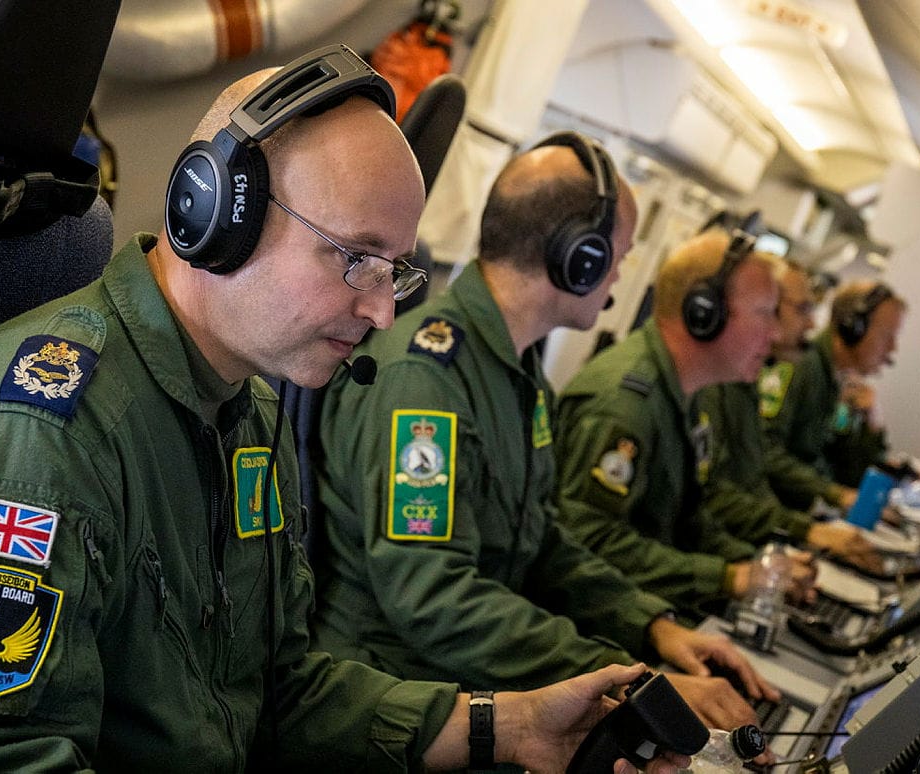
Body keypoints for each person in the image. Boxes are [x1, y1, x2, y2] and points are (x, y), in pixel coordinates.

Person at [0, 51, 690, 773]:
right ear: (218, 215)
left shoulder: (248, 410)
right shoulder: (36, 446)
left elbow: (276, 691)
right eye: (357, 259)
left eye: (394, 272)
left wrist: (507, 725)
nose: (383, 312)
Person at [312, 132, 777, 733]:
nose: (620, 275)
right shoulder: (424, 381)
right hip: (395, 705)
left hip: (458, 680)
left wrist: (650, 625)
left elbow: (541, 540)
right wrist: (619, 676)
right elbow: (434, 597)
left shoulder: (516, 368)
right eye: (618, 255)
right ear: (579, 258)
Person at [554, 227, 816, 618]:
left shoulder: (685, 394)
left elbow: (688, 518)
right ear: (704, 312)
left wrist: (758, 566)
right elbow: (590, 542)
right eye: (765, 313)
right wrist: (726, 578)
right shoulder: (625, 406)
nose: (776, 332)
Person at [696, 259, 880, 571]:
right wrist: (801, 531)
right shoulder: (717, 384)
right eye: (802, 309)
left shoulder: (747, 380)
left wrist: (789, 543)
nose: (811, 324)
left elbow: (749, 482)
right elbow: (711, 500)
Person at [760, 279, 907, 507]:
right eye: (886, 336)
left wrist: (871, 424)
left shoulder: (841, 382)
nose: (892, 349)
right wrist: (834, 494)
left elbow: (853, 473)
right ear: (853, 328)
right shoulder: (801, 366)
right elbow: (765, 451)